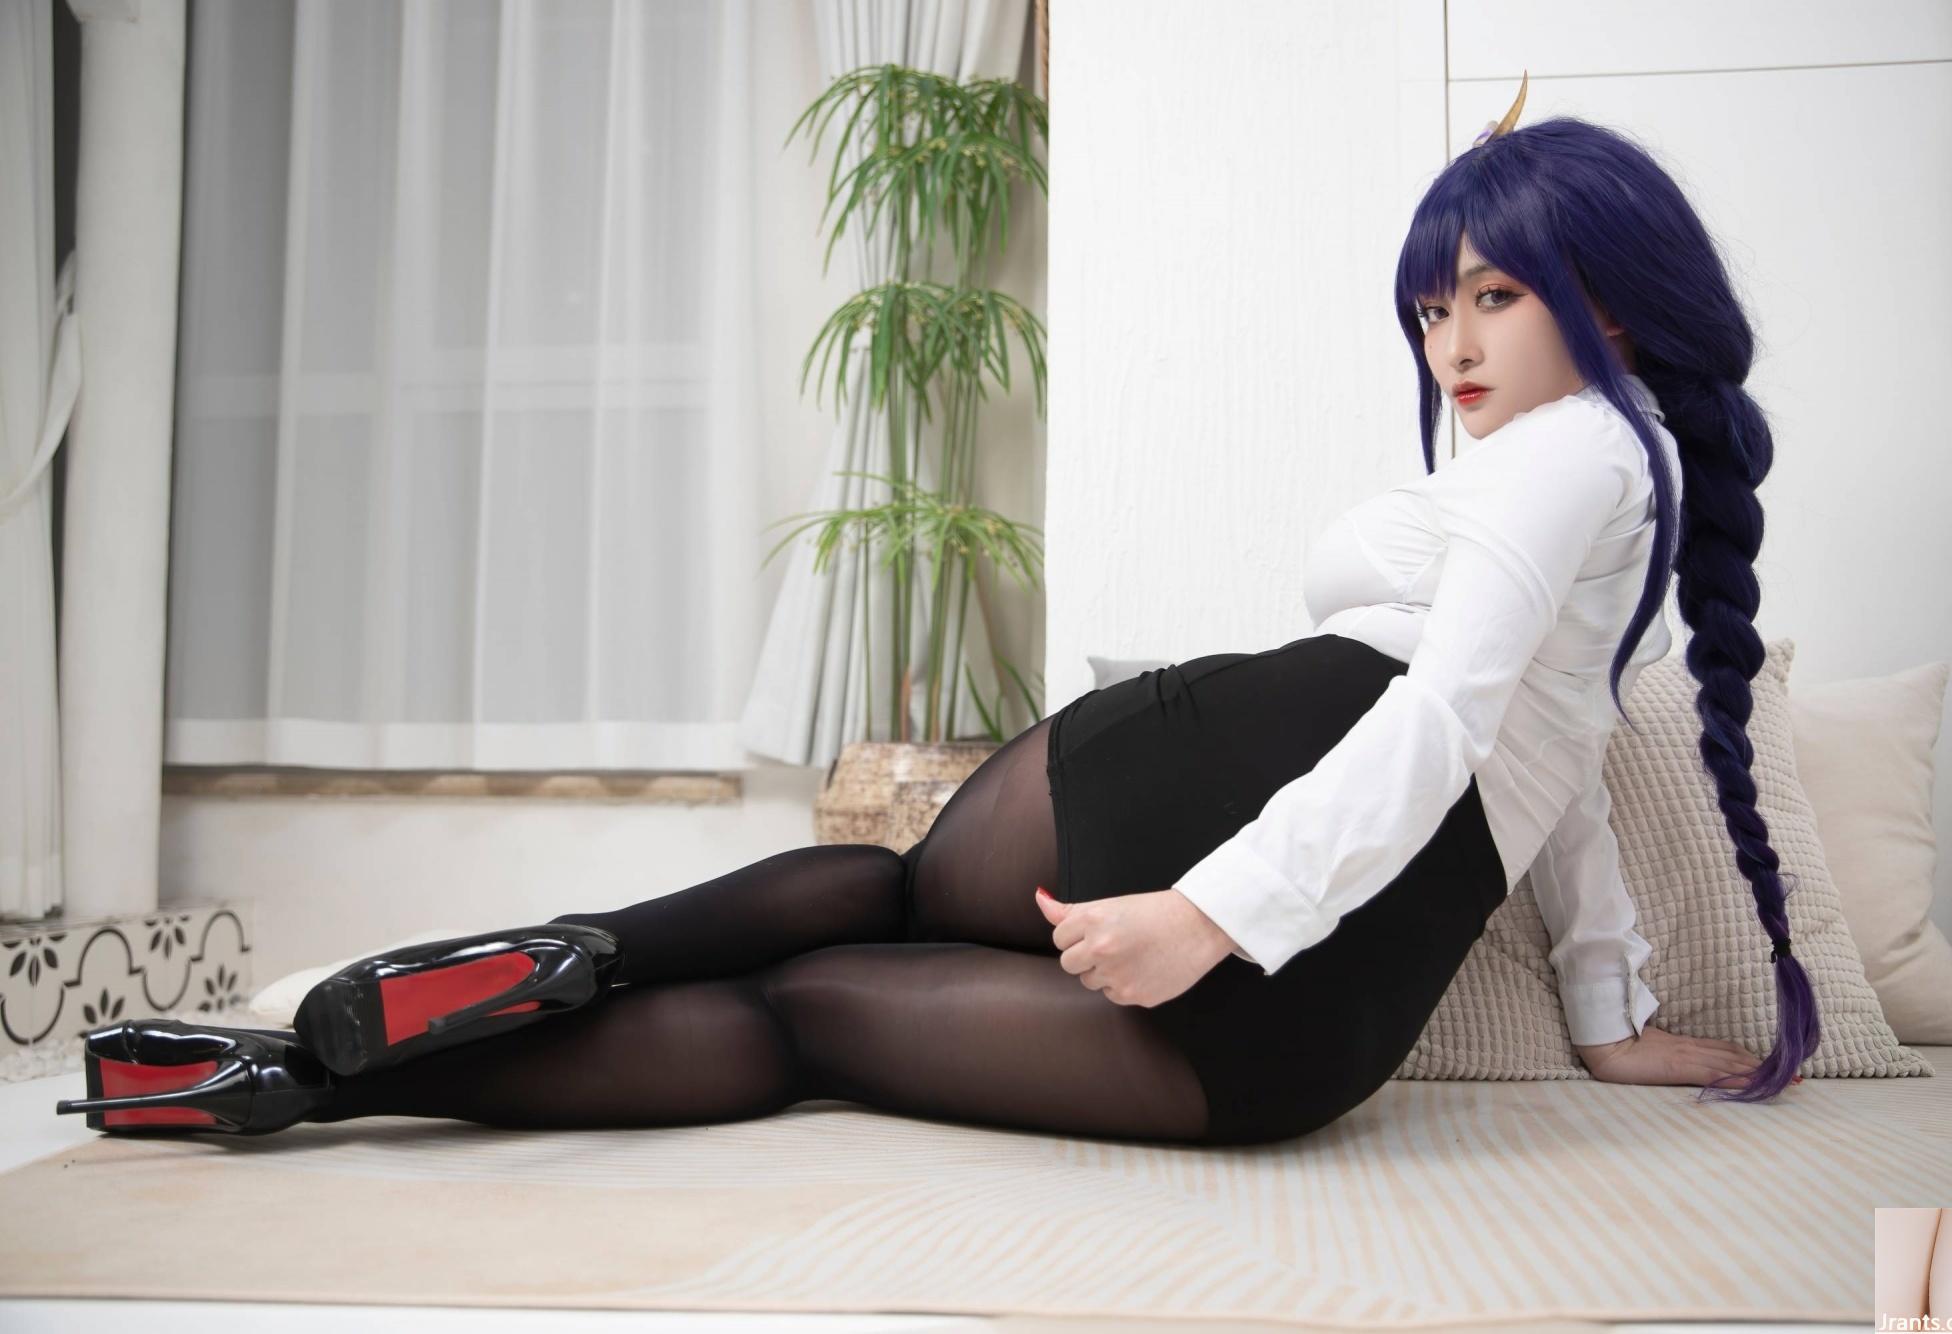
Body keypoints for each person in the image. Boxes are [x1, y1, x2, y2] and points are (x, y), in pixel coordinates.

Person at [55, 79, 1815, 1149]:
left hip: (1255, 822)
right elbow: (1534, 757)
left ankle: (537, 955)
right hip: (1306, 1007)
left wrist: (1210, 907)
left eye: (1495, 296)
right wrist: (1599, 1010)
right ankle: (314, 1082)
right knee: (811, 1017)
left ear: (1611, 293)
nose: (1453, 342)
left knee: (888, 898)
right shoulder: (1613, 478)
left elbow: (1448, 718)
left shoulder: (1576, 449)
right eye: (1435, 307)